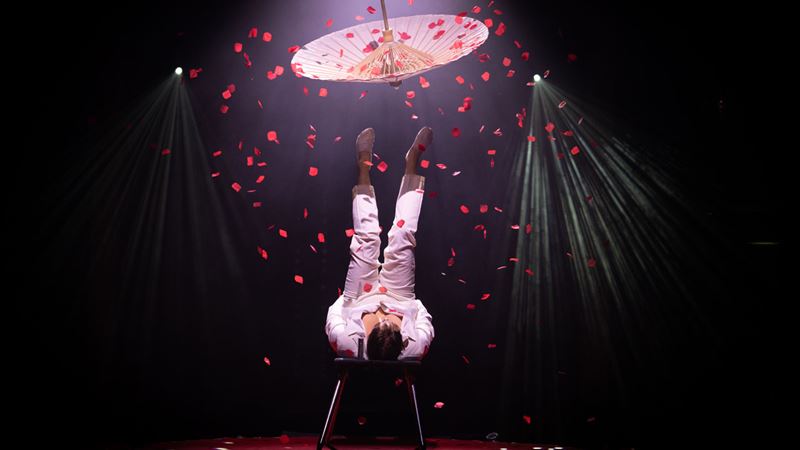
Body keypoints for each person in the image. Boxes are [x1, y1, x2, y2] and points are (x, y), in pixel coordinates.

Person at [325, 126, 435, 360]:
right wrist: (411, 303)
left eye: (380, 324)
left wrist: (347, 298)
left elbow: (333, 316)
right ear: (401, 339)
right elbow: (424, 319)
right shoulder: (414, 347)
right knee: (403, 234)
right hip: (400, 296)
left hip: (358, 297)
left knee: (367, 236)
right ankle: (412, 159)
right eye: (391, 324)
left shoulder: (347, 343)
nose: (384, 317)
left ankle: (363, 161)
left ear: (369, 335)